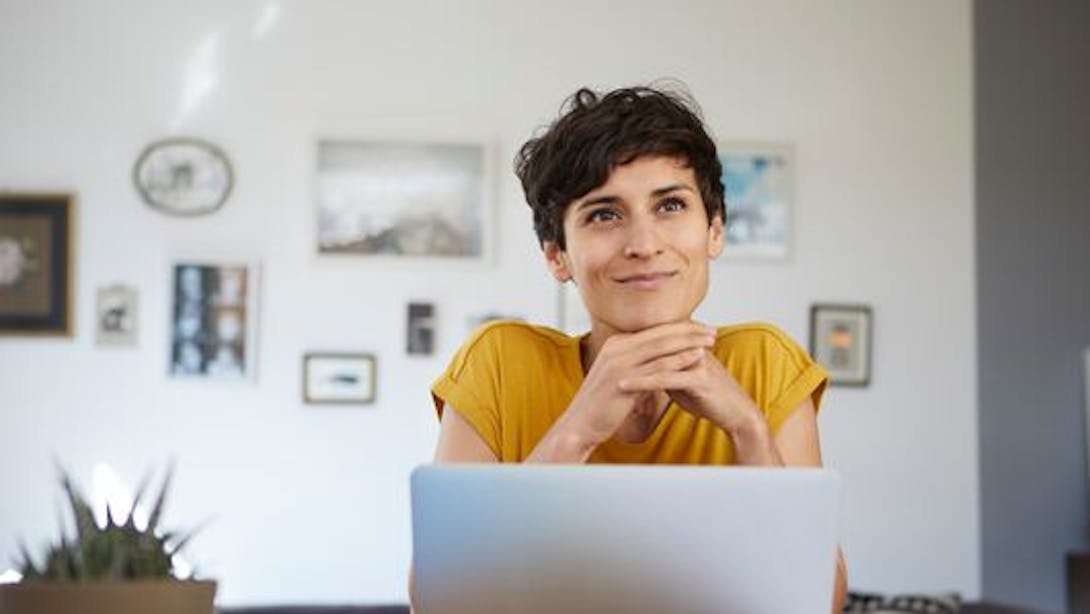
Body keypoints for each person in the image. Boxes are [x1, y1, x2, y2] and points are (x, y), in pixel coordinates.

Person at [418, 85, 847, 612]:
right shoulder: (499, 362)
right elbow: (438, 601)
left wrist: (748, 430)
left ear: (714, 231)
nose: (644, 244)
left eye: (670, 205)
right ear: (557, 255)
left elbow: (821, 601)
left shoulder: (764, 362)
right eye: (604, 214)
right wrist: (578, 431)